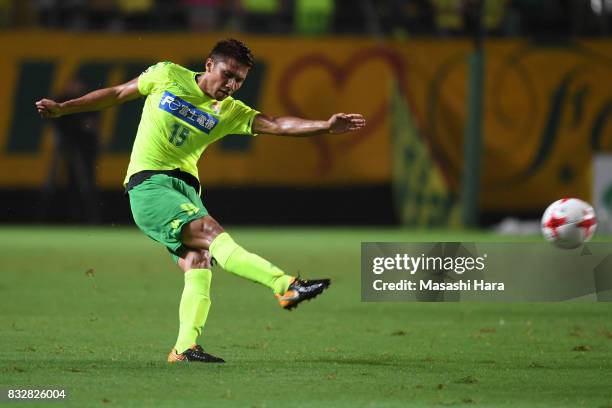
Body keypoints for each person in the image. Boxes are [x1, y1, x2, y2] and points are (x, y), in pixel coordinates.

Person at [35, 38, 366, 364]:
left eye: (239, 80)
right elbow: (117, 93)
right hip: (150, 185)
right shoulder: (167, 75)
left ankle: (183, 349)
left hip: (186, 192)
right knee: (211, 232)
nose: (231, 84)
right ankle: (284, 284)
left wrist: (324, 125)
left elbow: (277, 124)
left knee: (199, 260)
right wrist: (65, 108)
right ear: (209, 64)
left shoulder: (230, 111)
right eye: (227, 74)